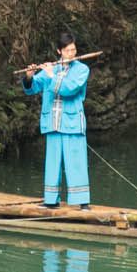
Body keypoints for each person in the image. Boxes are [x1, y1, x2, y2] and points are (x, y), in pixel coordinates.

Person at [20, 32, 90, 207]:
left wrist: (52, 75)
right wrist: (29, 76)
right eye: (67, 50)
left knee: (76, 162)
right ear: (59, 51)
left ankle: (82, 202)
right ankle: (51, 201)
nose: (71, 54)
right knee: (52, 162)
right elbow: (32, 88)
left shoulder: (82, 70)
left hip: (72, 123)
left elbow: (69, 89)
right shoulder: (51, 68)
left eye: (73, 50)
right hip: (52, 122)